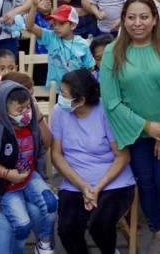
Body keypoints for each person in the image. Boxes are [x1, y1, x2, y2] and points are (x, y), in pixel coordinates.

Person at [99, 0, 160, 254]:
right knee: (146, 183)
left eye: (143, 17)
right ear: (123, 20)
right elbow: (112, 101)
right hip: (135, 132)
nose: (137, 23)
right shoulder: (112, 53)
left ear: (154, 20)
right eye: (131, 17)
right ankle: (156, 231)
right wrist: (147, 127)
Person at [52, 69, 135, 254]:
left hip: (113, 182)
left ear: (81, 100)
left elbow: (123, 156)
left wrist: (97, 189)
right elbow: (56, 155)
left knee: (100, 226)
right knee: (67, 230)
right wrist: (83, 186)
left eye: (64, 94)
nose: (60, 98)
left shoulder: (106, 111)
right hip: (75, 182)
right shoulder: (59, 112)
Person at [0, 82, 56, 254]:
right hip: (7, 187)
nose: (26, 113)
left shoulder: (32, 129)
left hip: (30, 178)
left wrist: (43, 178)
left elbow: (40, 153)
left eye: (28, 107)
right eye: (20, 110)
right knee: (22, 225)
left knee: (51, 203)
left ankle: (44, 243)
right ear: (5, 110)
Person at [27, 0, 94, 90]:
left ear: (73, 25)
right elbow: (30, 26)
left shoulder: (83, 44)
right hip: (54, 91)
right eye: (54, 24)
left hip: (76, 91)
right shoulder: (51, 37)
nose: (56, 27)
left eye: (61, 24)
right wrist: (34, 6)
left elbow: (90, 69)